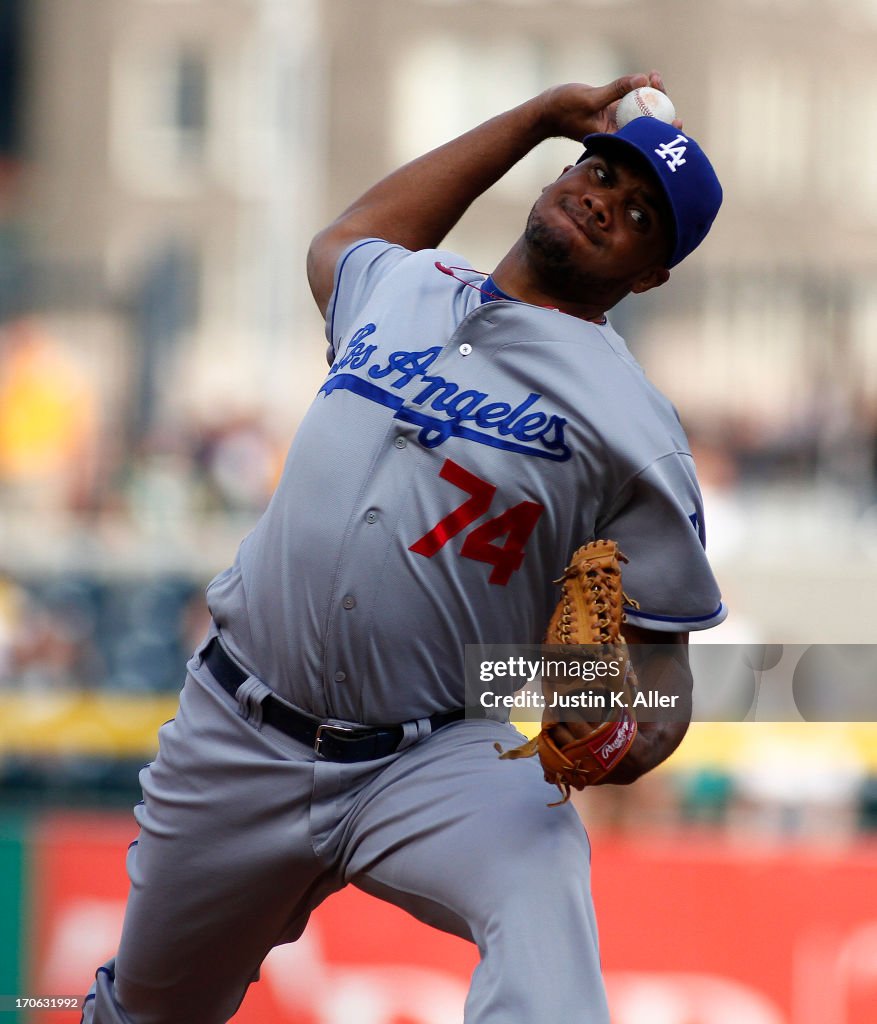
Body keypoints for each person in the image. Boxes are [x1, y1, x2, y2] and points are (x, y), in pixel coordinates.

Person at [83, 72, 726, 1024]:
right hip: (237, 730)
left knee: (543, 875)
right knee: (145, 1011)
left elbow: (659, 679)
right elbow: (340, 238)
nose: (601, 199)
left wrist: (616, 731)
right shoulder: (403, 286)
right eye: (596, 171)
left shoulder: (635, 428)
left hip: (428, 759)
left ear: (649, 276)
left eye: (637, 214)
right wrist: (530, 118)